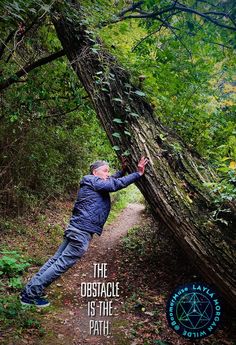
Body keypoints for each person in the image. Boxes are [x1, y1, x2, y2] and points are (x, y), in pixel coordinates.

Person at [20, 156, 149, 307]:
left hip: (76, 228)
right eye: (105, 171)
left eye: (109, 171)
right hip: (81, 231)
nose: (108, 173)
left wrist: (123, 170)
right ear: (95, 172)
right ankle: (30, 296)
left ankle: (29, 291)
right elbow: (115, 184)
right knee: (60, 264)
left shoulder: (92, 182)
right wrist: (138, 173)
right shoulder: (93, 181)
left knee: (55, 261)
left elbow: (112, 179)